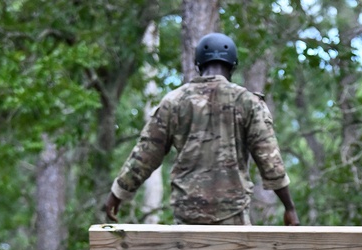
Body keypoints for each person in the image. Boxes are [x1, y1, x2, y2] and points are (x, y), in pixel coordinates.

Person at [105, 33, 299, 230]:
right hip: (232, 217)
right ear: (232, 66)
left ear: (198, 66)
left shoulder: (174, 102)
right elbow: (270, 161)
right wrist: (289, 207)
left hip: (189, 217)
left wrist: (117, 195)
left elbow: (145, 155)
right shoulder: (247, 102)